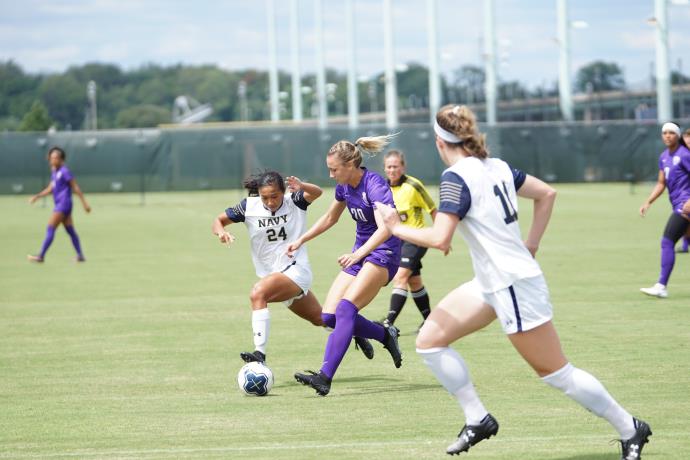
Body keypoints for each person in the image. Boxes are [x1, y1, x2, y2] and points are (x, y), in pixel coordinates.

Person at [376, 104, 651, 459]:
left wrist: (395, 226)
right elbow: (546, 193)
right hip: (493, 281)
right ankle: (478, 418)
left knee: (556, 373)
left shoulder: (456, 176)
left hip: (512, 284)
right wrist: (531, 244)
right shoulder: (498, 166)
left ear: (439, 142)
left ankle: (631, 427)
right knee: (430, 340)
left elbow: (441, 238)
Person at [211, 171, 374, 364]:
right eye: (265, 197)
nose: (270, 202)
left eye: (275, 196)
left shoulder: (294, 201)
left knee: (258, 293)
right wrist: (221, 232)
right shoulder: (249, 206)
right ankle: (357, 331)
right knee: (320, 318)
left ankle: (259, 354)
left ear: (283, 191)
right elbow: (218, 221)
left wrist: (302, 185)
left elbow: (317, 192)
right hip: (275, 274)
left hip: (296, 270)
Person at [288, 135, 403, 396]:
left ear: (351, 164)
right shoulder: (344, 187)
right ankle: (385, 335)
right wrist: (301, 240)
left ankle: (324, 378)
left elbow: (387, 228)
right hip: (361, 254)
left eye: (334, 169)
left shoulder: (373, 185)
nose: (330, 175)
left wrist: (357, 254)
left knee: (346, 309)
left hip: (384, 253)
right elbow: (330, 218)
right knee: (329, 317)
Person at [382, 149, 438, 332]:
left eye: (396, 166)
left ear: (403, 167)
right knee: (414, 282)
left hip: (416, 238)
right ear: (385, 168)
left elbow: (432, 210)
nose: (392, 170)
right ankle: (429, 321)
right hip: (397, 242)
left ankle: (388, 322)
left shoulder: (414, 186)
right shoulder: (383, 187)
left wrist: (440, 235)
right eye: (389, 167)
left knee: (400, 277)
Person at [639, 122, 690, 298]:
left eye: (671, 133)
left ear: (678, 136)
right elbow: (661, 183)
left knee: (667, 241)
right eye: (664, 133)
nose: (667, 136)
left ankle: (661, 286)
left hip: (684, 206)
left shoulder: (685, 155)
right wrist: (648, 201)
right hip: (677, 204)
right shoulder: (663, 157)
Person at [28, 146, 90, 262]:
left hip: (63, 204)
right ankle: (80, 255)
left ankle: (41, 256)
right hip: (64, 205)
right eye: (51, 158)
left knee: (50, 228)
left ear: (61, 160)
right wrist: (37, 196)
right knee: (70, 230)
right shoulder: (54, 171)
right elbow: (51, 188)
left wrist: (84, 203)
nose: (52, 160)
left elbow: (75, 187)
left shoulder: (64, 171)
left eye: (55, 158)